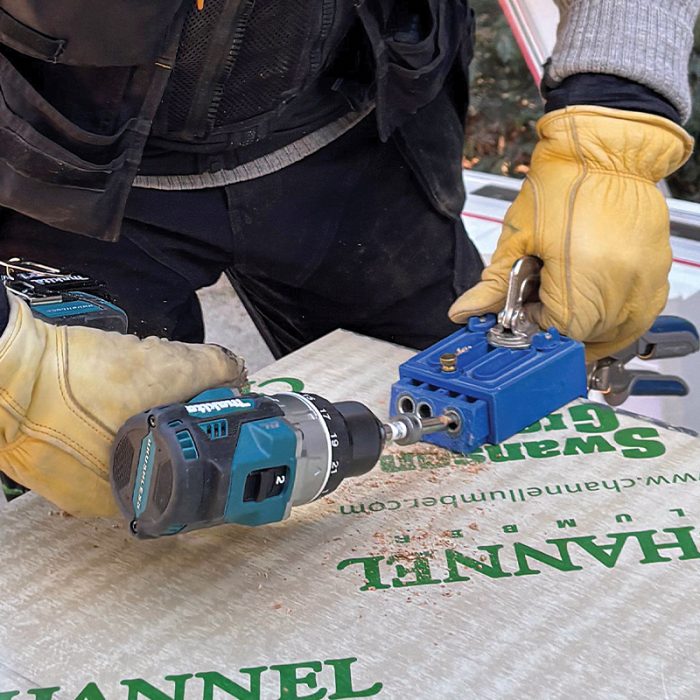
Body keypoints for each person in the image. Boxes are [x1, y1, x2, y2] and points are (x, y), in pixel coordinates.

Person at [0, 0, 696, 517]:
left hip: (363, 127)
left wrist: (614, 121)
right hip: (49, 174)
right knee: (79, 496)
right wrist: (13, 366)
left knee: (482, 463)